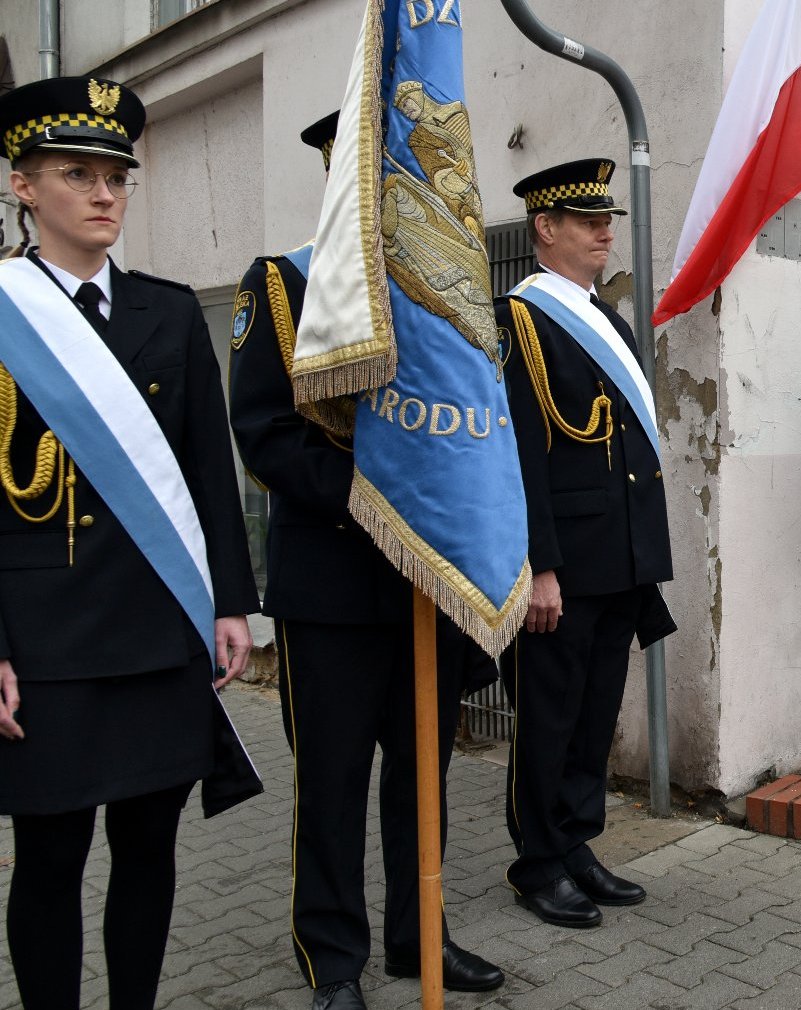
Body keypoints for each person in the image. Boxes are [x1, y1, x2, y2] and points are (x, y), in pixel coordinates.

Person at [227, 113, 504, 1009]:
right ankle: (332, 958)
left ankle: (419, 937)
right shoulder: (282, 285)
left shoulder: (437, 296)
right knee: (336, 779)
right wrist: (377, 493)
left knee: (424, 775)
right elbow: (265, 433)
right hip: (334, 583)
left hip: (424, 579)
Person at [0, 77, 258, 1009]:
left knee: (150, 849)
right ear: (25, 187)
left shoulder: (167, 312)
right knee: (51, 857)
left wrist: (229, 602)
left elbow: (205, 470)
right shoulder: (4, 312)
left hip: (156, 630)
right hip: (45, 640)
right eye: (78, 174)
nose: (105, 193)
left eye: (118, 176)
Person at [496, 158, 674, 928]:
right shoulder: (520, 321)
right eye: (587, 220)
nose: (606, 230)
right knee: (548, 715)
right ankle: (536, 860)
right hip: (563, 563)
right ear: (546, 229)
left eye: (607, 219)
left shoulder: (609, 318)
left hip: (619, 556)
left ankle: (576, 844)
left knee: (595, 712)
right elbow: (520, 453)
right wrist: (539, 564)